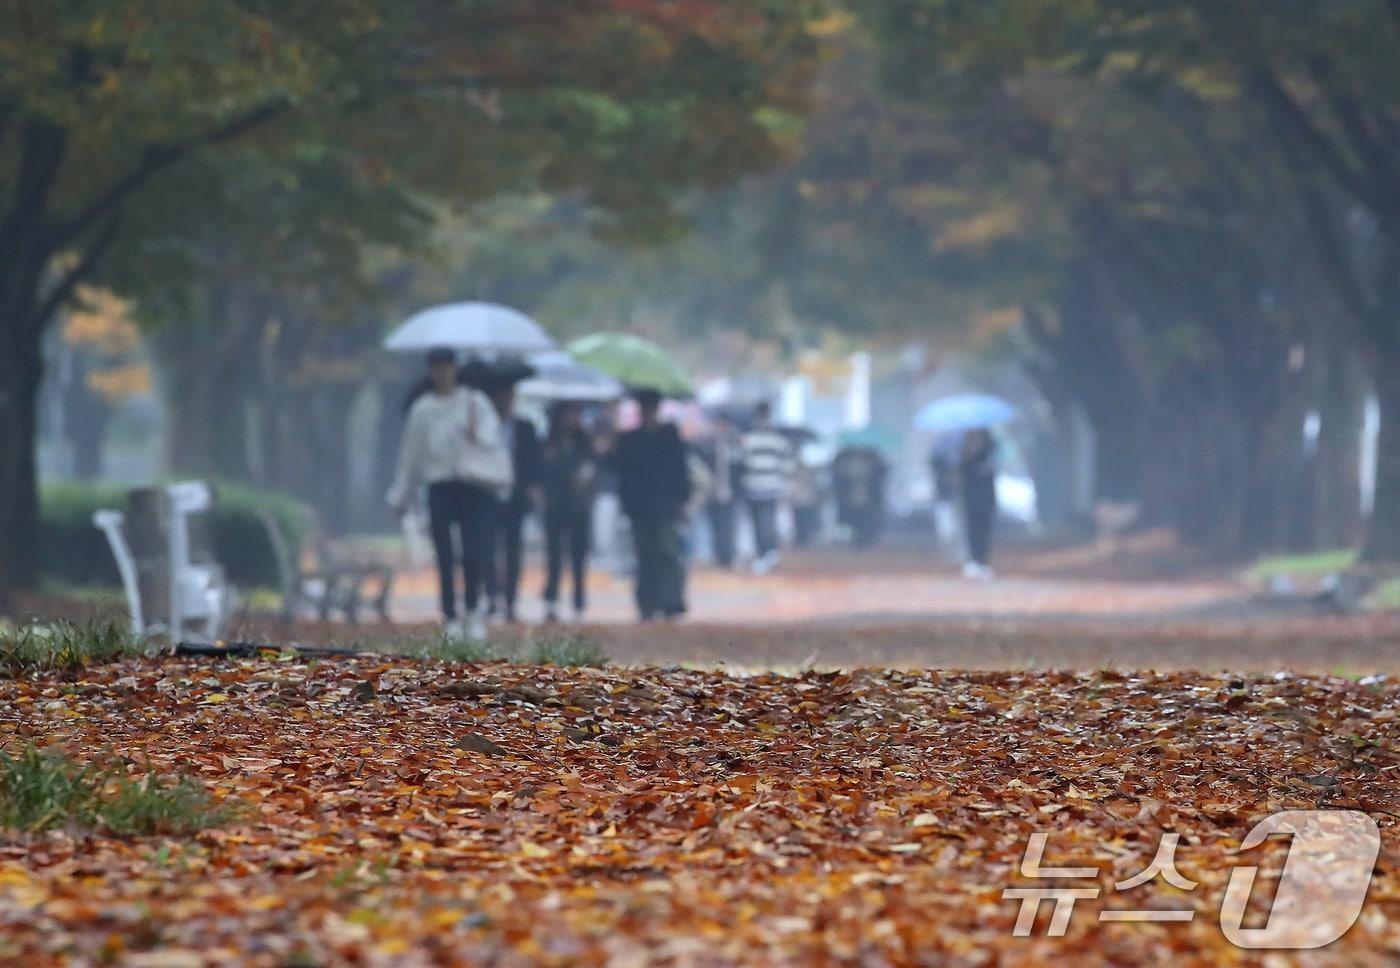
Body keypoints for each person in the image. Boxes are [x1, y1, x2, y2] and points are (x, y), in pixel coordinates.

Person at [387, 347, 509, 640]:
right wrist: (401, 494)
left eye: (448, 366)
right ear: (431, 371)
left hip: (472, 485)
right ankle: (450, 615)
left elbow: (492, 437)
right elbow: (411, 456)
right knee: (444, 553)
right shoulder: (423, 409)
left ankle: (472, 611)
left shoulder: (474, 401)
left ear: (456, 368)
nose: (444, 372)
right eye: (438, 367)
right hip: (439, 486)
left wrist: (473, 431)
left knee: (473, 552)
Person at [612, 389, 691, 620]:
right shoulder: (629, 440)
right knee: (644, 554)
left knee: (666, 551)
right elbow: (621, 471)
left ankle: (670, 601)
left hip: (665, 504)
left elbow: (680, 471)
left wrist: (682, 500)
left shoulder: (670, 436)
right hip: (640, 506)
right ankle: (647, 602)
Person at [483, 382, 540, 623]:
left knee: (513, 550)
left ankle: (510, 600)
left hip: (516, 497)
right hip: (489, 494)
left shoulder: (525, 428)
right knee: (487, 549)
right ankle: (491, 597)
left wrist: (533, 486)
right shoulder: (484, 427)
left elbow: (533, 461)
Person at [539, 402, 597, 622]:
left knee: (578, 555)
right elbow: (543, 472)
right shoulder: (549, 443)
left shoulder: (584, 442)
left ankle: (579, 602)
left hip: (578, 506)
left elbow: (594, 467)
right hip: (555, 506)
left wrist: (587, 476)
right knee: (554, 555)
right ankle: (551, 598)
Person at [740, 401, 794, 573]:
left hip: (755, 486)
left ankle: (766, 555)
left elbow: (742, 463)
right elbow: (788, 466)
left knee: (760, 523)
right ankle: (769, 555)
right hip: (770, 486)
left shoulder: (747, 439)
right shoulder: (779, 441)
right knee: (767, 522)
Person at [699, 413, 741, 567]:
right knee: (715, 525)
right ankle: (718, 554)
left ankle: (728, 555)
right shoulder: (707, 444)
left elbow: (739, 468)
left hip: (729, 492)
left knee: (728, 525)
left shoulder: (734, 444)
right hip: (712, 493)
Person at [959, 427, 999, 579]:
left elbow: (990, 472)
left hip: (986, 498)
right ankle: (974, 560)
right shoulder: (964, 454)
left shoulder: (989, 452)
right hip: (970, 499)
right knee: (971, 530)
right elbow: (961, 475)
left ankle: (983, 561)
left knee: (984, 531)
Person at [832, 445, 888, 548]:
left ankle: (864, 540)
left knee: (865, 522)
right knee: (852, 521)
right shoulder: (844, 468)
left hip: (866, 500)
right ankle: (856, 541)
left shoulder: (873, 469)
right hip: (850, 499)